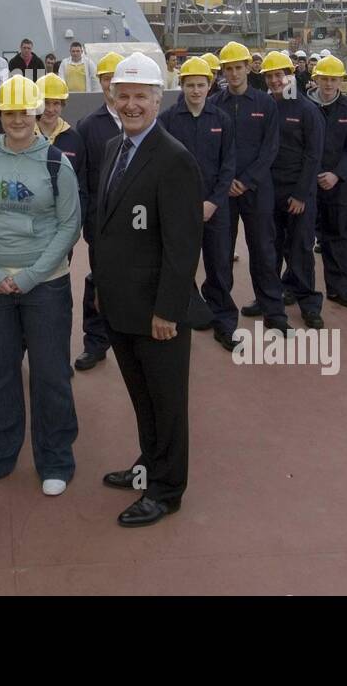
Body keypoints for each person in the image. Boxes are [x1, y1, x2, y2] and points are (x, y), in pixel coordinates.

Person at [91, 53, 201, 528]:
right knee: (142, 397)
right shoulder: (116, 148)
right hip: (121, 306)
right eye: (124, 96)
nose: (131, 104)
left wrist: (167, 311)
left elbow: (182, 246)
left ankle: (166, 489)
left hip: (157, 312)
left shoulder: (173, 159)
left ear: (158, 99)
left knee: (167, 402)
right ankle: (149, 465)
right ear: (113, 98)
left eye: (141, 96)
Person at [0, 74, 81, 496]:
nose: (17, 119)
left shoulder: (55, 162)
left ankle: (56, 460)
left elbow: (69, 225)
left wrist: (30, 276)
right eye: (9, 112)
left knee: (50, 375)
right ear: (1, 114)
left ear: (36, 113)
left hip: (45, 287)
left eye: (24, 112)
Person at [215, 41, 287, 346]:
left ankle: (274, 312)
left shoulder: (265, 104)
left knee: (264, 250)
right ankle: (223, 317)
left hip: (257, 188)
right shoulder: (214, 104)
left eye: (238, 67)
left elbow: (270, 148)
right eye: (228, 69)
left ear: (248, 67)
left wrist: (245, 180)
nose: (233, 73)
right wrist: (227, 181)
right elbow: (212, 150)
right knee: (220, 255)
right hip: (224, 191)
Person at [158, 56, 235, 340]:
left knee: (219, 263)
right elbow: (163, 167)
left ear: (210, 85)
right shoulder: (167, 120)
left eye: (201, 85)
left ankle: (224, 320)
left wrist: (214, 202)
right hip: (181, 209)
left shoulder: (221, 119)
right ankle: (185, 313)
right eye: (190, 85)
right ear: (182, 86)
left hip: (215, 207)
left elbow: (229, 164)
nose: (196, 91)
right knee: (180, 264)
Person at [246, 51, 322, 328]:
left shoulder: (307, 110)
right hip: (267, 192)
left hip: (298, 192)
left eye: (280, 75)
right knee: (269, 249)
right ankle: (268, 297)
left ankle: (309, 304)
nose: (276, 80)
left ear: (290, 75)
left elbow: (314, 155)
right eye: (270, 76)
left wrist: (301, 194)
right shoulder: (263, 107)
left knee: (300, 249)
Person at [75, 51, 124, 370]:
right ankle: (95, 341)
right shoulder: (89, 126)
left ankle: (131, 338)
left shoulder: (143, 121)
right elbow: (82, 179)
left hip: (139, 222)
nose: (110, 85)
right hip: (101, 222)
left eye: (115, 80)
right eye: (106, 79)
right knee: (99, 279)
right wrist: (86, 221)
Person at [308, 55, 347, 310]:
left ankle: (339, 288)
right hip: (307, 185)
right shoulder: (305, 107)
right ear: (316, 79)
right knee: (299, 240)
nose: (329, 84)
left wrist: (336, 175)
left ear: (341, 81)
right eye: (324, 79)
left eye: (334, 79)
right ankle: (295, 287)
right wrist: (313, 174)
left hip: (338, 186)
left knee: (338, 237)